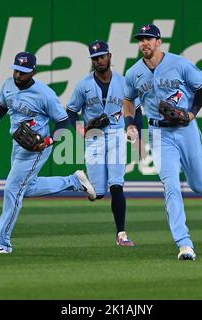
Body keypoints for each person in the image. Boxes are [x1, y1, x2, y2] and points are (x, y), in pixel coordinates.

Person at [0, 51, 96, 254]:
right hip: (18, 144)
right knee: (26, 188)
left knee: (12, 189)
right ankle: (75, 182)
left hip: (36, 147)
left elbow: (64, 122)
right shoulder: (8, 85)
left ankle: (2, 243)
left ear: (33, 72)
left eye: (23, 72)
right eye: (16, 70)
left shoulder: (45, 94)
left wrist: (47, 142)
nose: (18, 76)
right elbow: (1, 107)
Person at [123, 24, 202, 260]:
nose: (144, 43)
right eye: (141, 39)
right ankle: (184, 244)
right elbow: (128, 100)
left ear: (159, 42)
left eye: (148, 39)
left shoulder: (179, 64)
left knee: (198, 185)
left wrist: (191, 114)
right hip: (159, 135)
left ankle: (198, 176)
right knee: (171, 186)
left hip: (186, 129)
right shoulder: (134, 72)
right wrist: (130, 123)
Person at [66, 40, 135, 246]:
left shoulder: (123, 83)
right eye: (95, 58)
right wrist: (78, 126)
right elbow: (70, 110)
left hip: (116, 135)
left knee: (116, 185)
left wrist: (133, 127)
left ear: (109, 57)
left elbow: (134, 108)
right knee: (97, 193)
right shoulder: (84, 85)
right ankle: (79, 180)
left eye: (102, 56)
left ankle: (121, 233)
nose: (99, 61)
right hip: (94, 137)